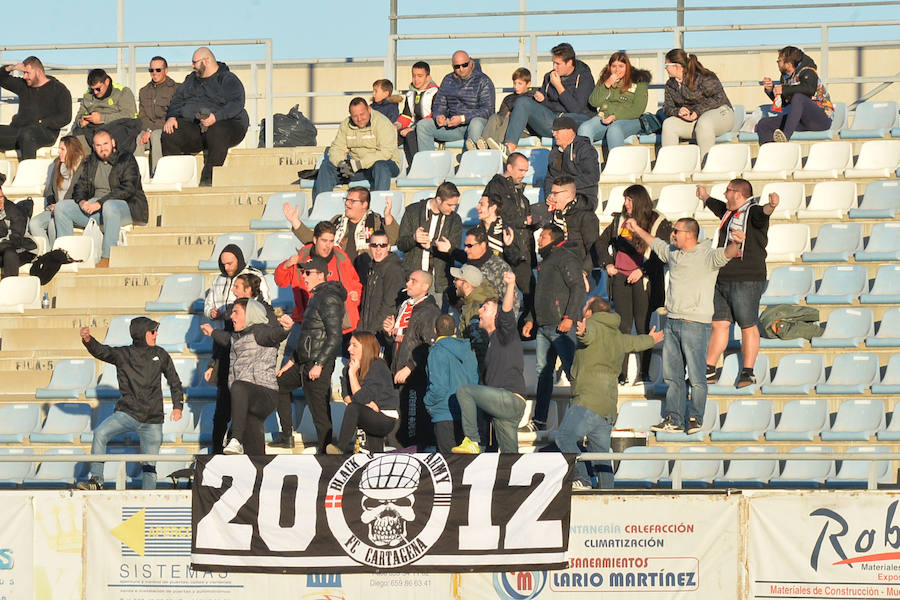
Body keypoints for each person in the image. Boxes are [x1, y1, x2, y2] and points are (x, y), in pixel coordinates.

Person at [625, 217, 742, 434]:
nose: (673, 234)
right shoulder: (672, 252)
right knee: (672, 375)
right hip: (672, 321)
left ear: (689, 234)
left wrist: (737, 243)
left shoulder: (707, 255)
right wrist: (637, 228)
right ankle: (674, 419)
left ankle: (696, 418)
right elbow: (655, 242)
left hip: (696, 324)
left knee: (697, 377)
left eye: (676, 231)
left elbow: (727, 254)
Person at [556, 297, 664, 489]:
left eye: (585, 307)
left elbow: (589, 335)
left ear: (590, 313)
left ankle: (581, 478)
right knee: (602, 459)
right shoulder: (616, 335)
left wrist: (583, 332)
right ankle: (608, 495)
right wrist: (651, 339)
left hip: (588, 401)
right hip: (607, 408)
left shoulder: (594, 326)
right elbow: (634, 342)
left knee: (564, 437)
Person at [76, 317, 183, 490]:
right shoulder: (124, 354)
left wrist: (178, 406)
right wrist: (88, 340)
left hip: (153, 419)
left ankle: (148, 502)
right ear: (141, 334)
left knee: (150, 466)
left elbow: (174, 381)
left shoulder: (161, 354)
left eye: (156, 331)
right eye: (153, 331)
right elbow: (102, 351)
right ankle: (96, 480)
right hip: (128, 414)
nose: (156, 334)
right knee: (100, 434)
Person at [698, 180, 779, 388]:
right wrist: (705, 197)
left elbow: (763, 214)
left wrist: (771, 206)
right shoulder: (728, 211)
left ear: (739, 194)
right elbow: (718, 206)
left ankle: (748, 371)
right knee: (719, 323)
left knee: (747, 324)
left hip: (747, 278)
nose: (725, 194)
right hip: (722, 277)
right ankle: (709, 369)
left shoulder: (752, 212)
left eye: (728, 191)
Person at [596, 184, 671, 384]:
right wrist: (608, 264)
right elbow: (601, 244)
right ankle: (621, 372)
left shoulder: (657, 221)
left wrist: (642, 270)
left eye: (629, 200)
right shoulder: (618, 220)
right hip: (620, 278)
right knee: (623, 326)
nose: (626, 203)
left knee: (643, 325)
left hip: (643, 280)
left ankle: (644, 372)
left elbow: (663, 254)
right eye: (625, 199)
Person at [200, 299, 291, 455]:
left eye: (236, 312)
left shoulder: (260, 331)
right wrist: (212, 332)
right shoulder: (237, 336)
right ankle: (259, 470)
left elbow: (274, 334)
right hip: (248, 399)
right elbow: (225, 339)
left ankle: (236, 439)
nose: (231, 316)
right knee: (254, 446)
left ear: (250, 314)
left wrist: (285, 329)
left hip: (264, 393)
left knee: (238, 386)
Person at [275, 256, 346, 453]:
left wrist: (320, 364)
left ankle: (327, 454)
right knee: (278, 384)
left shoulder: (329, 297)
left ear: (321, 275)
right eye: (302, 272)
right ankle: (287, 434)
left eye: (308, 272)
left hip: (317, 363)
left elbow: (334, 336)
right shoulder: (317, 297)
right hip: (304, 362)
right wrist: (293, 360)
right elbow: (309, 334)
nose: (303, 276)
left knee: (320, 413)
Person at [453, 272, 526, 454]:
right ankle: (515, 481)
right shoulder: (492, 341)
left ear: (496, 315)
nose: (479, 312)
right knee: (510, 456)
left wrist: (510, 285)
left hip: (509, 399)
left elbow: (507, 311)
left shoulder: (505, 333)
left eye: (484, 308)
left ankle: (472, 440)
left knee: (465, 391)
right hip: (506, 406)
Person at [522, 225, 586, 431]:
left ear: (554, 239)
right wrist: (531, 319)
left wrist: (569, 317)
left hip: (561, 326)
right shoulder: (547, 260)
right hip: (543, 326)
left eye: (543, 236)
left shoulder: (565, 258)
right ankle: (540, 420)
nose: (539, 240)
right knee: (543, 373)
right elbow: (541, 293)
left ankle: (583, 419)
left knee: (572, 372)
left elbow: (578, 288)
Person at [53, 129, 147, 268]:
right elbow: (80, 187)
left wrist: (100, 203)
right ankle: (67, 255)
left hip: (126, 208)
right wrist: (82, 201)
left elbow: (128, 188)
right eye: (98, 145)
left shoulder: (126, 158)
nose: (103, 148)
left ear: (113, 143)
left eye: (105, 144)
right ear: (93, 146)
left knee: (109, 206)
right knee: (62, 207)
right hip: (97, 209)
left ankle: (107, 257)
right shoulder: (91, 161)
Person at [162, 47, 250, 186]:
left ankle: (207, 180)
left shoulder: (227, 79)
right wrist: (172, 116)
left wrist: (216, 117)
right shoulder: (190, 80)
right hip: (197, 127)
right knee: (170, 133)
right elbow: (177, 100)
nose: (192, 66)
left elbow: (237, 103)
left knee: (217, 131)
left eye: (195, 62)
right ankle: (175, 178)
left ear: (206, 61)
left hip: (228, 124)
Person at [501, 43, 595, 156]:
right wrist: (542, 101)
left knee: (568, 118)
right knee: (523, 102)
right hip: (552, 121)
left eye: (558, 64)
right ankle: (509, 148)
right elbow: (546, 106)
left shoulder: (584, 77)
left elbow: (576, 109)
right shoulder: (549, 77)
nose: (554, 67)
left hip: (574, 122)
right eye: (553, 63)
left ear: (569, 63)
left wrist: (559, 86)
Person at [383, 270, 441, 449]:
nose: (407, 284)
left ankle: (414, 456)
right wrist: (389, 333)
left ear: (425, 286)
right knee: (400, 417)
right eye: (408, 280)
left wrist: (410, 367)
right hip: (397, 370)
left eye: (413, 281)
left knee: (412, 421)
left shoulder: (429, 311)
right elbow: (402, 339)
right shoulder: (405, 305)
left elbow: (428, 345)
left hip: (414, 377)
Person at [273, 220, 362, 336]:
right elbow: (281, 282)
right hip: (306, 322)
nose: (328, 245)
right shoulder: (301, 258)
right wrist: (286, 265)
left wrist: (355, 297)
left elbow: (355, 284)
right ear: (315, 240)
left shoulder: (341, 258)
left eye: (331, 241)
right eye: (324, 241)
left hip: (336, 324)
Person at [312, 97, 402, 198]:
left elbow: (385, 153)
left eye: (362, 114)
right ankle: (322, 207)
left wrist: (359, 164)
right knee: (326, 167)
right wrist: (342, 163)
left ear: (369, 109)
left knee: (380, 166)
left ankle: (378, 207)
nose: (359, 119)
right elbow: (336, 148)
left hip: (385, 164)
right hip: (356, 167)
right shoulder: (346, 125)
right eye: (355, 116)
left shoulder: (383, 123)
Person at [326, 331, 400, 454]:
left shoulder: (378, 366)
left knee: (354, 408)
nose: (349, 349)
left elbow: (361, 397)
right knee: (372, 453)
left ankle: (340, 448)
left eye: (354, 345)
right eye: (349, 345)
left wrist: (352, 375)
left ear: (365, 348)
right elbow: (346, 396)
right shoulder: (349, 368)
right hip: (368, 413)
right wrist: (366, 404)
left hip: (385, 417)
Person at [482, 152, 535, 314]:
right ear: (509, 167)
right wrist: (525, 221)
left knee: (530, 293)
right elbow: (499, 215)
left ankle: (528, 328)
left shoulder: (519, 193)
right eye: (520, 170)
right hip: (502, 250)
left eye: (525, 171)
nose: (523, 174)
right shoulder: (496, 186)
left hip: (520, 250)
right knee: (500, 296)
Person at [284, 186, 399, 259]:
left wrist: (388, 216)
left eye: (352, 201)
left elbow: (393, 240)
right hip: (339, 272)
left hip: (367, 273)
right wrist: (295, 222)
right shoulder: (337, 221)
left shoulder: (376, 222)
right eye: (346, 200)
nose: (347, 204)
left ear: (364, 205)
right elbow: (318, 240)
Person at [395, 181, 462, 303]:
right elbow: (401, 244)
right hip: (414, 278)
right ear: (438, 199)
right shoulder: (412, 211)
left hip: (439, 281)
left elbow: (454, 250)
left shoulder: (455, 220)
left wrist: (434, 246)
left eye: (455, 205)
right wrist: (414, 239)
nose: (453, 209)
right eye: (450, 205)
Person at [416, 51, 495, 152]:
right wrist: (439, 116)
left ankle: (472, 164)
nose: (461, 69)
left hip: (476, 126)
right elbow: (440, 104)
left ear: (471, 63)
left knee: (476, 124)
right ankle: (428, 164)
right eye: (457, 66)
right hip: (452, 125)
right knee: (423, 125)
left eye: (464, 65)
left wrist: (463, 118)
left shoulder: (484, 81)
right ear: (453, 66)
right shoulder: (448, 80)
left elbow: (488, 110)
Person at [661, 49, 733, 159]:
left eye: (667, 64)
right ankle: (670, 165)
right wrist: (678, 111)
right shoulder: (670, 84)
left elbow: (719, 98)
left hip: (722, 115)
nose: (665, 68)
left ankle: (706, 165)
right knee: (668, 124)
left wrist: (697, 111)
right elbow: (667, 107)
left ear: (677, 66)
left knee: (704, 123)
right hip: (695, 121)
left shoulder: (704, 76)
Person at [422, 315, 478, 453]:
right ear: (455, 330)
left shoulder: (436, 352)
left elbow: (439, 387)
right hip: (467, 415)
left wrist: (427, 403)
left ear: (435, 330)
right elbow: (475, 381)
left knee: (449, 464)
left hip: (444, 413)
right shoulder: (468, 351)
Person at [755, 46, 834, 143]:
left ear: (788, 64)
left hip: (821, 119)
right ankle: (772, 154)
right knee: (764, 124)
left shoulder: (808, 71)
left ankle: (785, 137)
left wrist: (784, 89)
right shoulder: (785, 78)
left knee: (798, 97)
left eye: (779, 60)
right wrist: (770, 90)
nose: (778, 63)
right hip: (800, 120)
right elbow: (783, 103)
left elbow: (809, 89)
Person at [0, 56, 72, 159]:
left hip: (45, 132)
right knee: (24, 133)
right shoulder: (23, 85)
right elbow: (2, 79)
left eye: (27, 73)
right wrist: (11, 68)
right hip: (18, 130)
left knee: (27, 135)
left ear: (38, 72)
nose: (24, 76)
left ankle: (28, 173)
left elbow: (65, 117)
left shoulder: (59, 90)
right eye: (23, 73)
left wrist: (42, 122)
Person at [578, 52, 651, 149]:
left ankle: (618, 163)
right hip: (604, 117)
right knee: (585, 128)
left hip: (630, 119)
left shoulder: (638, 80)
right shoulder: (605, 79)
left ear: (627, 67)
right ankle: (586, 162)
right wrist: (606, 85)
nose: (617, 70)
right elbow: (594, 102)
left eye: (621, 66)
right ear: (609, 67)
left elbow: (637, 110)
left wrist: (615, 116)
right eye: (614, 66)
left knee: (614, 129)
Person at [29, 136, 85, 250]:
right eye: (59, 148)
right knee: (34, 223)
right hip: (54, 208)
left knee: (52, 225)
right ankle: (47, 254)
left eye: (62, 149)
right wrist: (51, 205)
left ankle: (56, 257)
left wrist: (60, 206)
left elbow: (82, 194)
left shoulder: (84, 167)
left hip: (71, 210)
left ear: (72, 150)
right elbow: (50, 190)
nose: (59, 152)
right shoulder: (58, 164)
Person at [355, 229, 406, 346]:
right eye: (374, 245)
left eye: (382, 245)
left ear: (388, 247)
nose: (378, 249)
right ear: (369, 247)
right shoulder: (373, 267)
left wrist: (371, 332)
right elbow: (366, 305)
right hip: (367, 331)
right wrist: (360, 330)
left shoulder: (393, 270)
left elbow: (389, 306)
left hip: (380, 334)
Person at [73, 68, 141, 154]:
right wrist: (81, 121)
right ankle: (84, 164)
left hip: (117, 126)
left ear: (107, 82)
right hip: (92, 128)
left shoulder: (122, 91)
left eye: (98, 89)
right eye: (92, 89)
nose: (95, 92)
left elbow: (129, 114)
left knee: (111, 136)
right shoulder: (88, 94)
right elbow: (80, 114)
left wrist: (102, 118)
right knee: (72, 139)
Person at [543, 175, 599, 275]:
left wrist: (584, 272)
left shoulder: (586, 216)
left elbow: (594, 248)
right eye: (551, 193)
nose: (551, 197)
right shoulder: (553, 213)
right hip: (555, 270)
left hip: (576, 272)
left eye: (555, 193)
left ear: (568, 195)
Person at [470, 67, 536, 151]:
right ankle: (483, 144)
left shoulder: (532, 96)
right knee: (494, 117)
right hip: (506, 127)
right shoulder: (509, 98)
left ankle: (495, 144)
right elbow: (501, 116)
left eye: (520, 84)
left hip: (523, 130)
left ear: (528, 84)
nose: (516, 86)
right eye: (515, 83)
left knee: (509, 120)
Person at [542, 117, 600, 210]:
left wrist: (564, 188)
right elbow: (550, 178)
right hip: (560, 198)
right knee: (537, 212)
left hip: (584, 197)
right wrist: (549, 195)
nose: (553, 134)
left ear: (570, 131)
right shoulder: (555, 152)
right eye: (553, 131)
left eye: (557, 131)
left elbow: (592, 177)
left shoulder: (585, 150)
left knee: (570, 212)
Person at [450, 263, 496, 371]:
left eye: (457, 279)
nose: (454, 282)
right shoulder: (471, 304)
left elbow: (479, 346)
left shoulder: (476, 308)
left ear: (466, 285)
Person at [137, 56, 177, 174]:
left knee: (155, 136)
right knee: (137, 138)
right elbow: (142, 115)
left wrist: (150, 130)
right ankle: (138, 176)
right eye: (151, 70)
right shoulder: (143, 91)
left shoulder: (176, 89)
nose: (154, 73)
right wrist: (146, 130)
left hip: (165, 129)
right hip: (148, 129)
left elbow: (170, 114)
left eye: (158, 70)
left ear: (166, 70)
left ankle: (157, 174)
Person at [396, 61, 439, 166]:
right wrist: (396, 125)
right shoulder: (410, 94)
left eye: (420, 76)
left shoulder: (436, 92)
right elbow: (406, 116)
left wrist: (414, 128)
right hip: (414, 126)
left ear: (428, 77)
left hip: (429, 128)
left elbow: (434, 115)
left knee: (410, 135)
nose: (416, 79)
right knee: (393, 136)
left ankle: (418, 167)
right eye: (414, 76)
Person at [0, 176, 38, 277]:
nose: (0, 201)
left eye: (1, 197)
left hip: (24, 248)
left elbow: (15, 238)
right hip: (3, 249)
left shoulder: (14, 211)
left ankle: (11, 289)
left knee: (9, 254)